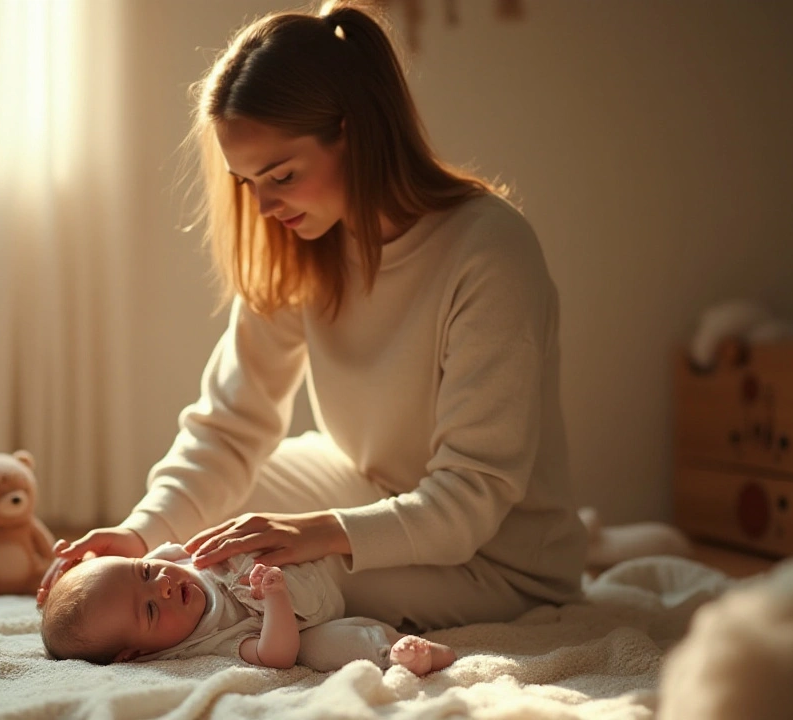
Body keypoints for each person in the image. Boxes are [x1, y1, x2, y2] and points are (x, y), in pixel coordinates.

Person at [48, 0, 586, 639]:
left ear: (355, 132)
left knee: (290, 575)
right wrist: (140, 532)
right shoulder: (304, 245)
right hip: (373, 485)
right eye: (248, 183)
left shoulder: (489, 250)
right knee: (205, 530)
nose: (265, 205)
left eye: (281, 175)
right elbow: (228, 429)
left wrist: (318, 532)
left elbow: (470, 498)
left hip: (496, 559)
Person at [37, 542, 456, 674]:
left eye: (145, 571)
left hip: (313, 556)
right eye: (148, 611)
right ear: (135, 654)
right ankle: (406, 650)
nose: (163, 586)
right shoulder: (205, 642)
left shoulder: (176, 560)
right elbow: (277, 655)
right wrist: (275, 600)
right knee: (328, 650)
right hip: (311, 613)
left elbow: (183, 547)